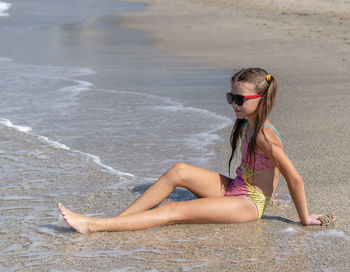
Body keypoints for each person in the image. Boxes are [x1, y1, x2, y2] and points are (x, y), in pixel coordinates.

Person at [58, 67, 330, 234]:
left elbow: (294, 177)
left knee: (175, 209)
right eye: (230, 97)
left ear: (261, 99)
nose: (233, 104)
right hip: (237, 187)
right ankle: (117, 221)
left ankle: (93, 225)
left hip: (248, 204)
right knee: (180, 170)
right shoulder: (247, 122)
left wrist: (304, 218)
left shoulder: (264, 136)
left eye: (239, 100)